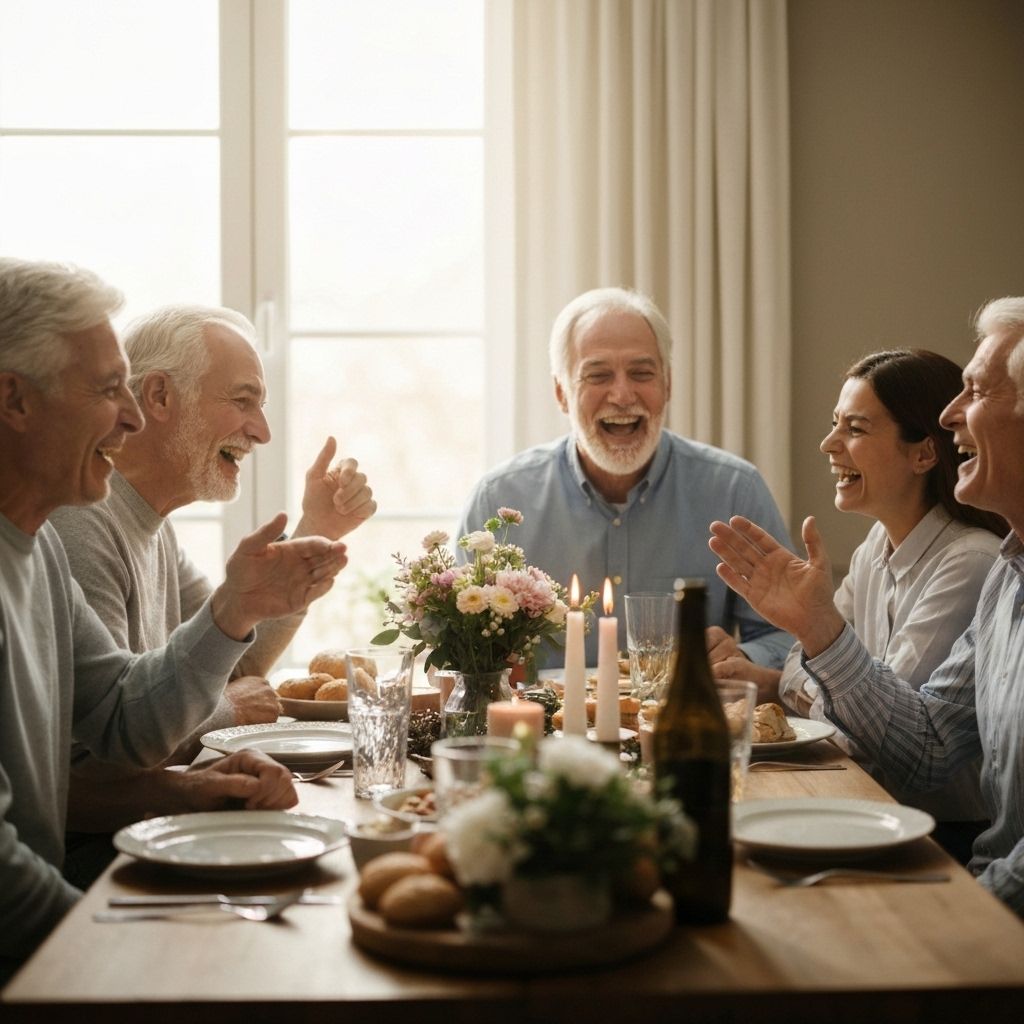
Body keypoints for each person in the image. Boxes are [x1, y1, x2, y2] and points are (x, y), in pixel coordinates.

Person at [0, 257, 347, 970]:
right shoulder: (71, 531)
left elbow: (124, 719)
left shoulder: (40, 550)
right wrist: (113, 954)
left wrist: (235, 608)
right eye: (107, 389)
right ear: (14, 400)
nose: (127, 416)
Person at [708, 297, 1024, 913]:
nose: (951, 416)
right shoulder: (1004, 579)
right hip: (962, 865)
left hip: (957, 857)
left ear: (921, 455)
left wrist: (967, 915)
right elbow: (924, 746)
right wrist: (818, 630)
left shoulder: (975, 561)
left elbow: (886, 746)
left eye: (979, 392)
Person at [47, 305, 375, 885]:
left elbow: (232, 657)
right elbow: (96, 762)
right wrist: (228, 713)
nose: (262, 431)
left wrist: (315, 531)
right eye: (244, 400)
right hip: (94, 866)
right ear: (159, 396)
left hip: (140, 840)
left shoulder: (152, 524)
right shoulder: (81, 523)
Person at [458, 286, 793, 670]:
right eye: (598, 375)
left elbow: (786, 635)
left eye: (641, 373)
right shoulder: (497, 502)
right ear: (561, 393)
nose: (621, 394)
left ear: (668, 384)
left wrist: (742, 657)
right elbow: (452, 651)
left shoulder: (735, 491)